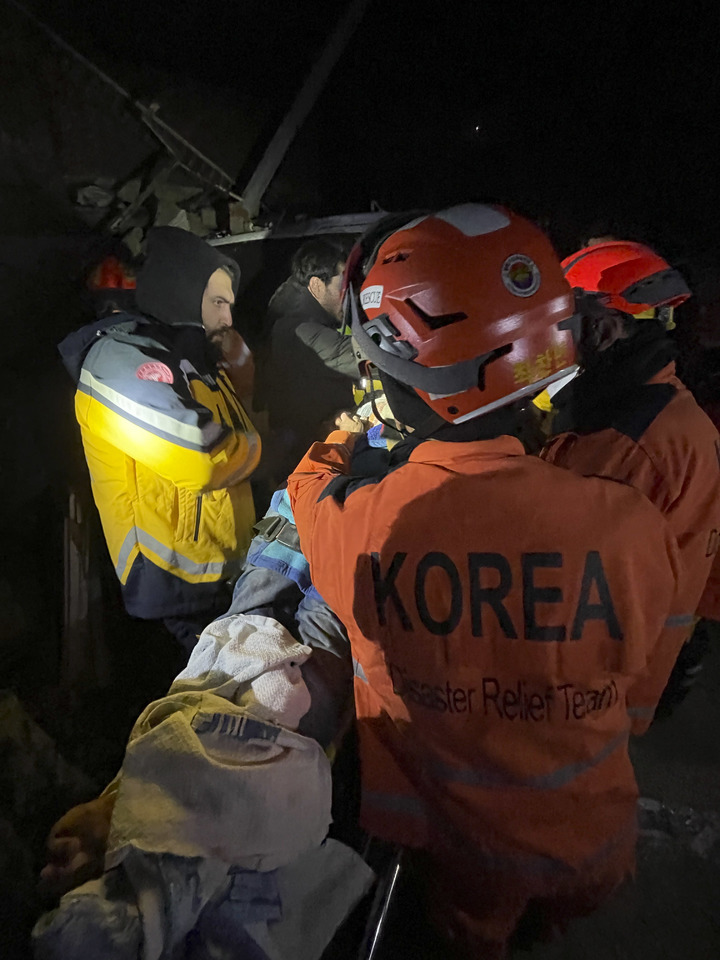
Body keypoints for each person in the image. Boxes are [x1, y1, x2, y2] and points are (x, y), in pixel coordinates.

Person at [285, 203, 691, 957]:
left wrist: (350, 447)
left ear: (402, 372)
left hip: (462, 854)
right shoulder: (627, 522)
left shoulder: (367, 523)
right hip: (595, 842)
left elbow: (309, 488)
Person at [59, 227, 261, 654]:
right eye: (217, 302)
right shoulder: (115, 359)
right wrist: (260, 448)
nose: (227, 318)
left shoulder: (186, 357)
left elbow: (236, 425)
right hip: (175, 583)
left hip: (223, 571)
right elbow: (202, 456)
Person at [541, 239, 720, 722]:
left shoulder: (626, 446)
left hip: (595, 686)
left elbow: (549, 569)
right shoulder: (665, 405)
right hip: (641, 657)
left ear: (603, 329)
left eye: (564, 326)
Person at [261, 237, 357, 477]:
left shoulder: (300, 321)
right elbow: (358, 357)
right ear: (316, 286)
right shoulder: (297, 330)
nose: (347, 293)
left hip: (315, 449)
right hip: (308, 462)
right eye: (341, 284)